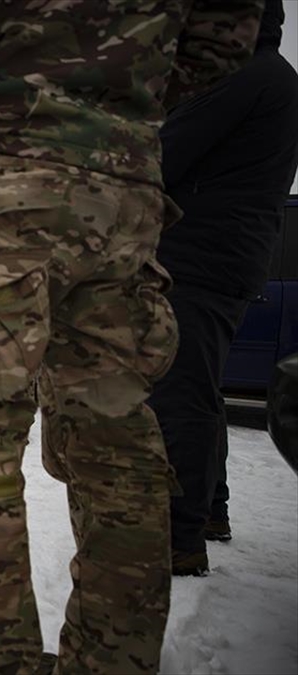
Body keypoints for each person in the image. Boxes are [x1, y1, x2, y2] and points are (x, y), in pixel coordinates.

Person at [0, 1, 263, 673]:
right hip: (122, 194)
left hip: (3, 173)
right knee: (116, 444)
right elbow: (226, 34)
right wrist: (122, 102)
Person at [149, 0, 298, 577]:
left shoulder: (243, 75)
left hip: (199, 254)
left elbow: (164, 151)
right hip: (230, 256)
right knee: (200, 389)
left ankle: (178, 536)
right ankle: (209, 510)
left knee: (177, 393)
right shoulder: (275, 77)